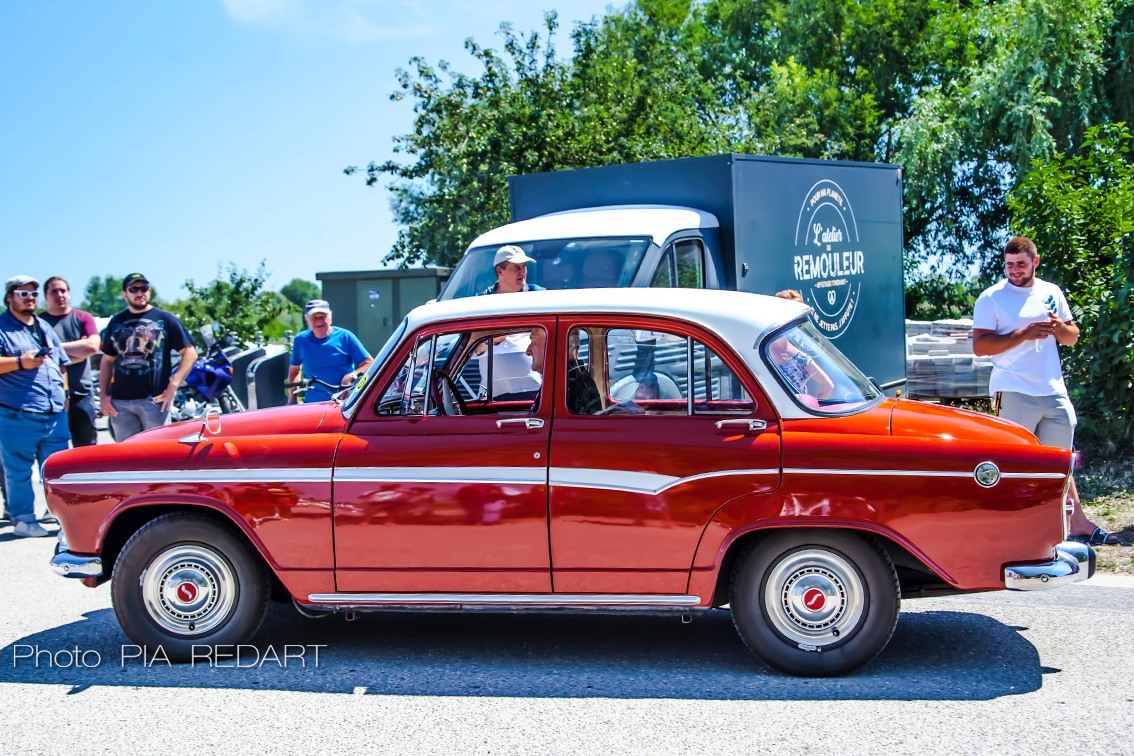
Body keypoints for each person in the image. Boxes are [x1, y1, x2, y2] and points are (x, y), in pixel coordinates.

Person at [973, 236, 1128, 546]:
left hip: (1052, 389)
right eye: (1009, 265)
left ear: (1035, 262)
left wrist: (1059, 329)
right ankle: (1007, 531)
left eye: (1020, 264)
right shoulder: (991, 298)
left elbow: (1072, 337)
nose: (1014, 270)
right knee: (1014, 464)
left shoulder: (1051, 292)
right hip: (1013, 389)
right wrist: (1024, 334)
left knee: (1061, 462)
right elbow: (980, 347)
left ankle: (1074, 524)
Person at [0, 275, 70, 538]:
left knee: (57, 471)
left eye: (33, 293)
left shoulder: (43, 325)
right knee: (18, 472)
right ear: (9, 298)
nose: (30, 298)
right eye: (23, 293)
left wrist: (65, 394)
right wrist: (20, 362)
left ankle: (64, 521)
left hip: (53, 414)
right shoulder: (2, 327)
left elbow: (61, 363)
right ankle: (23, 520)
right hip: (17, 414)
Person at [99, 273, 197, 441]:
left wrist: (173, 386)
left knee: (158, 456)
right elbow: (107, 360)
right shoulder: (116, 321)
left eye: (143, 288)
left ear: (149, 291)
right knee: (126, 457)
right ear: (124, 294)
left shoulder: (165, 319)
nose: (139, 293)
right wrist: (103, 396)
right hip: (121, 404)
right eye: (134, 289)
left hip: (155, 401)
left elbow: (190, 353)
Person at [40, 276, 101, 447]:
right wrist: (78, 352)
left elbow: (92, 346)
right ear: (46, 296)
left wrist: (54, 350)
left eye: (63, 290)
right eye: (54, 291)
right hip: (50, 397)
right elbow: (40, 357)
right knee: (54, 449)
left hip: (82, 395)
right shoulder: (39, 323)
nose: (59, 295)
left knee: (87, 449)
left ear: (69, 293)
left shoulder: (83, 317)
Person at [288, 299, 372, 404]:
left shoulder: (345, 337)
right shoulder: (301, 340)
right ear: (307, 320)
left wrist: (351, 376)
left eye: (322, 317)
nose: (319, 321)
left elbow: (369, 363)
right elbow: (295, 370)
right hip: (313, 403)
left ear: (330, 317)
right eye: (314, 318)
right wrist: (292, 398)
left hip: (343, 402)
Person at [479, 245, 545, 295]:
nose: (522, 272)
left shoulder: (539, 295)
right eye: (516, 267)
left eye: (524, 266)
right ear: (499, 271)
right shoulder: (480, 301)